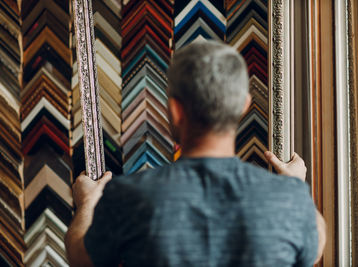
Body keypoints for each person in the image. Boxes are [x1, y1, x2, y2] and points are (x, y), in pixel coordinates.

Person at [65, 40, 326, 267]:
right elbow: (315, 248)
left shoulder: (126, 197)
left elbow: (81, 259)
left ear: (176, 110)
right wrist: (294, 186)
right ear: (244, 106)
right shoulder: (289, 200)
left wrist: (87, 203)